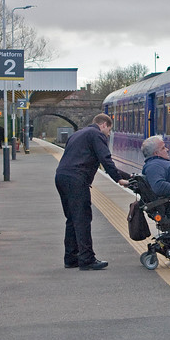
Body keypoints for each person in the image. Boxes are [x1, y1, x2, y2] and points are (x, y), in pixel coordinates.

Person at [55, 113, 130, 270]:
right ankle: (87, 259)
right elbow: (105, 159)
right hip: (76, 180)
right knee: (82, 218)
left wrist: (127, 176)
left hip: (61, 177)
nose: (108, 134)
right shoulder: (96, 134)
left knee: (72, 218)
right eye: (109, 130)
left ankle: (71, 257)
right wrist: (118, 179)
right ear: (103, 125)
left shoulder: (77, 134)